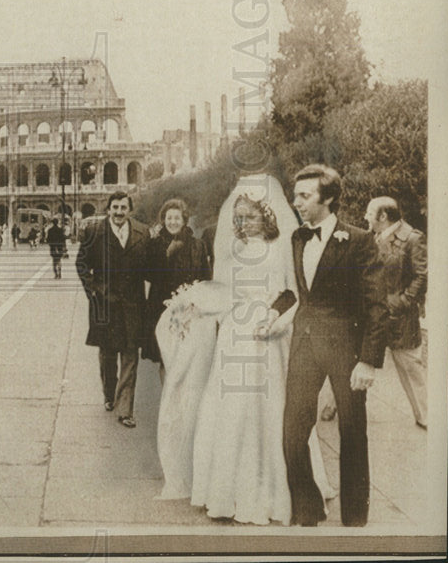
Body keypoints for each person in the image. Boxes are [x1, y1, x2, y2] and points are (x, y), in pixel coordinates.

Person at [155, 174, 335, 524]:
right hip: (234, 335)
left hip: (269, 335)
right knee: (230, 410)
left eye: (249, 216)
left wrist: (273, 319)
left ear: (266, 215)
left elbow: (294, 294)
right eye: (237, 217)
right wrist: (193, 302)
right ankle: (227, 492)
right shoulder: (233, 250)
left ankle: (275, 491)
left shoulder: (283, 244)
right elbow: (225, 291)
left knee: (272, 411)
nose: (242, 223)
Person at [267, 164, 386, 527]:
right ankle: (307, 510)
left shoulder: (359, 241)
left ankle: (354, 518)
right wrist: (272, 312)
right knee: (292, 432)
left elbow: (376, 305)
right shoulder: (297, 238)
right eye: (295, 195)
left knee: (352, 432)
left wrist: (368, 361)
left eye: (304, 196)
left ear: (329, 198)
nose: (296, 202)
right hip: (303, 346)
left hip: (345, 350)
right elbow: (297, 294)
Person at [76, 191, 149, 427]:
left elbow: (151, 266)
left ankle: (125, 409)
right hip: (104, 304)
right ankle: (109, 394)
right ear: (108, 209)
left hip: (132, 305)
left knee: (130, 355)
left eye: (123, 208)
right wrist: (94, 293)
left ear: (130, 210)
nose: (119, 212)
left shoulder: (142, 232)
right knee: (108, 356)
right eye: (115, 207)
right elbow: (82, 264)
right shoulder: (94, 232)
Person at [364, 196, 428, 429]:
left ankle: (426, 417)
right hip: (372, 314)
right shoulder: (370, 237)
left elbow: (422, 275)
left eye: (369, 213)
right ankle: (335, 408)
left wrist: (403, 301)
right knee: (352, 358)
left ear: (383, 217)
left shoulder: (412, 238)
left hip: (400, 318)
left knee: (410, 367)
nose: (365, 217)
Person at [142, 199, 211, 369]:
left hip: (190, 309)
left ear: (184, 220)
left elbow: (205, 278)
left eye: (177, 218)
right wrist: (167, 255)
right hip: (162, 306)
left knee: (187, 359)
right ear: (163, 220)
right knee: (166, 359)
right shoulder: (154, 244)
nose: (172, 222)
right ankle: (168, 395)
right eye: (169, 218)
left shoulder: (198, 245)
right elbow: (148, 274)